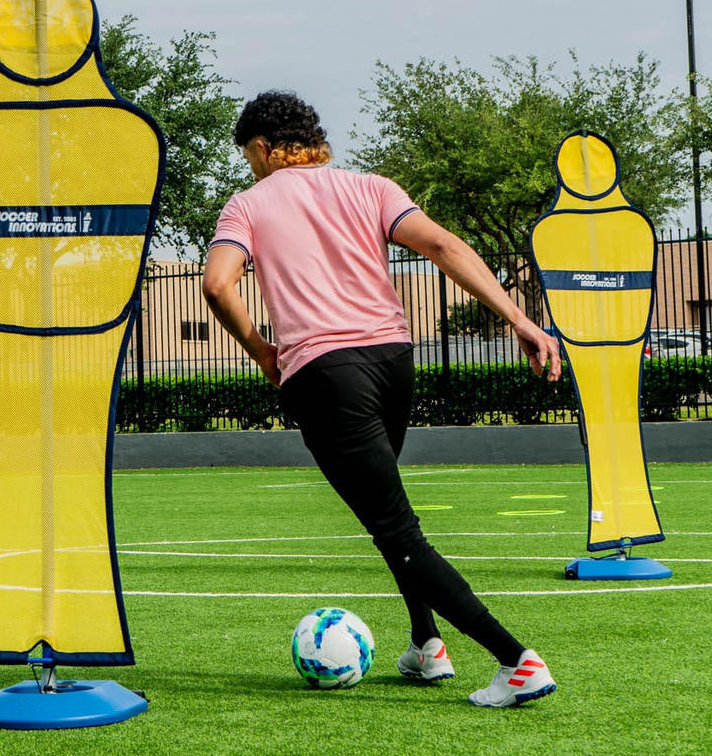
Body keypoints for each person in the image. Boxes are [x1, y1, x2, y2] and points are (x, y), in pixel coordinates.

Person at [202, 90, 563, 708]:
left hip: (325, 374)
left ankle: (516, 661)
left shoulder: (247, 204)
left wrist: (265, 353)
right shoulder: (372, 187)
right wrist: (521, 320)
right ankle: (426, 645)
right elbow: (444, 247)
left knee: (397, 530)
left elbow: (216, 284)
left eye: (248, 156)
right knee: (390, 521)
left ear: (262, 148)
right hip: (394, 362)